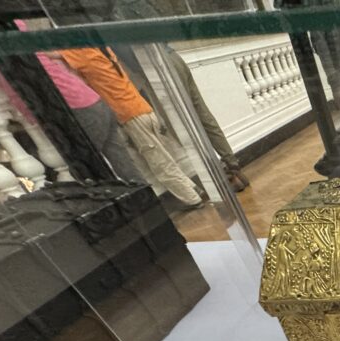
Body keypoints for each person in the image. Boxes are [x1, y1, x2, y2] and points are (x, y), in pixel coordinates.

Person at [59, 44, 203, 207]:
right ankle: (193, 190)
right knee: (164, 157)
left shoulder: (84, 53)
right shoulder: (103, 50)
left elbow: (54, 56)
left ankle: (192, 199)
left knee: (159, 163)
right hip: (143, 108)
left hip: (131, 115)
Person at [13, 19, 144, 184]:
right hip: (95, 101)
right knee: (121, 162)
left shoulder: (78, 53)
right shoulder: (94, 49)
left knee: (85, 168)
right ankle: (141, 192)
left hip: (80, 107)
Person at [163, 45, 250, 193]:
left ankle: (226, 176)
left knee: (184, 126)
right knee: (203, 116)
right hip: (173, 56)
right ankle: (233, 167)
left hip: (160, 66)